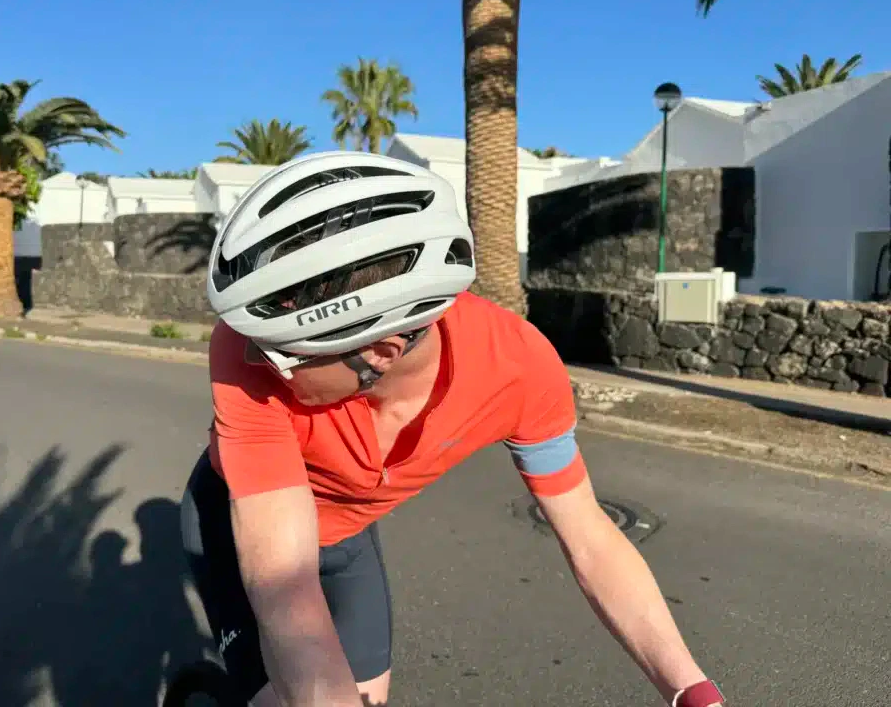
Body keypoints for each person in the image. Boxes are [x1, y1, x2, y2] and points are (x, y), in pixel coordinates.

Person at [180, 151, 725, 707]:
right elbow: (284, 588)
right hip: (236, 525)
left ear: (381, 352)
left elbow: (591, 538)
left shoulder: (519, 369)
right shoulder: (242, 349)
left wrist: (692, 690)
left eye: (284, 356)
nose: (256, 361)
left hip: (346, 538)